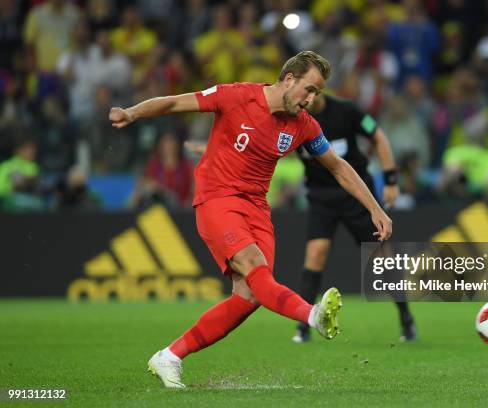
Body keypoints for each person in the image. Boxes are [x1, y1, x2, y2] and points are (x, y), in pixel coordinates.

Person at [108, 51, 393, 389]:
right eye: (310, 89)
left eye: (318, 94)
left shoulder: (303, 125)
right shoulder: (235, 95)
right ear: (289, 78)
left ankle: (170, 356)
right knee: (255, 266)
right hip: (217, 199)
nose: (312, 100)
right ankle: (312, 315)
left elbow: (338, 167)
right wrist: (132, 112)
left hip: (257, 207)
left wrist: (374, 207)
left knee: (250, 295)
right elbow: (172, 104)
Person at [293, 93, 417, 343]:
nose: (307, 96)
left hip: (356, 193)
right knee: (316, 253)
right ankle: (303, 327)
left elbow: (378, 136)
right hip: (320, 196)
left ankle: (406, 319)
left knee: (382, 258)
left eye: (312, 90)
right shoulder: (293, 117)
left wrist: (391, 179)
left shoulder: (347, 111)